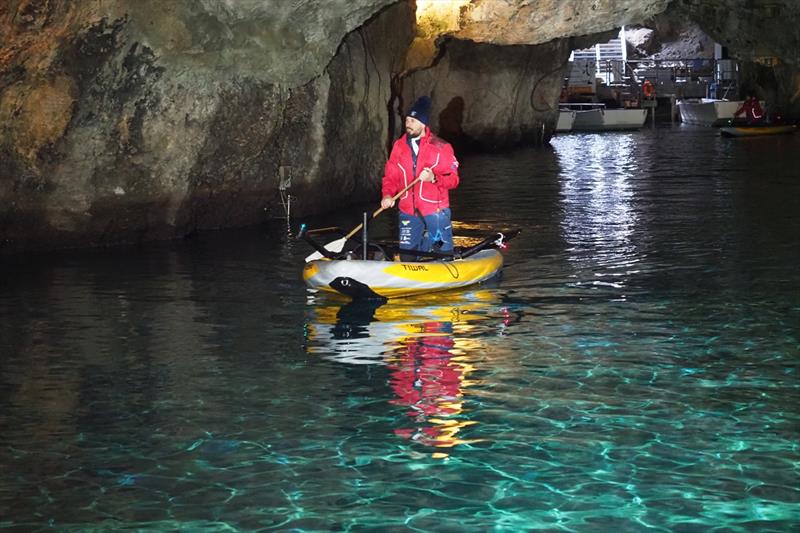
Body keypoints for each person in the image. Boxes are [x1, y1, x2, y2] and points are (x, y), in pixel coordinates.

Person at [381, 96, 460, 257]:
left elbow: (454, 180)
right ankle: (421, 252)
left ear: (423, 124)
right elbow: (391, 176)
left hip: (435, 211)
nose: (408, 124)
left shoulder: (441, 147)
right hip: (407, 211)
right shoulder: (399, 146)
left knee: (442, 253)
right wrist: (387, 195)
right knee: (406, 255)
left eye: (413, 120)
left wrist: (434, 178)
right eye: (407, 120)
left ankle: (435, 249)